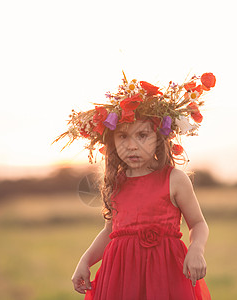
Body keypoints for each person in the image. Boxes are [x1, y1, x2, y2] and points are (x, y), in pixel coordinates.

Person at [53, 72, 216, 300]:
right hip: (121, 278)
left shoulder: (174, 179)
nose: (132, 146)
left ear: (159, 137)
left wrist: (196, 249)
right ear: (112, 142)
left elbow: (198, 223)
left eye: (142, 135)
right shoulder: (116, 183)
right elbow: (110, 231)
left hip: (165, 275)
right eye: (123, 137)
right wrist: (86, 260)